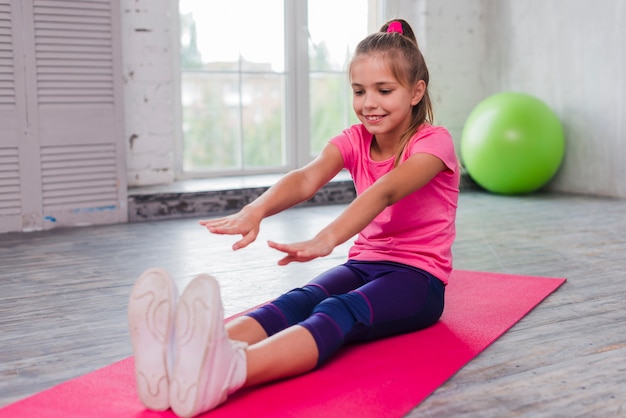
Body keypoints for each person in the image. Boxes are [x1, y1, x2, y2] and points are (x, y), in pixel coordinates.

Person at [128, 18, 459, 418]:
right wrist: (257, 210)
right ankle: (178, 355)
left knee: (340, 311)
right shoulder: (355, 139)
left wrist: (328, 237)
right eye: (359, 91)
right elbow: (306, 177)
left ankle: (230, 371)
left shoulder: (432, 142)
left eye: (383, 90)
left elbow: (385, 190)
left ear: (415, 92)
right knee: (299, 300)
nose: (369, 103)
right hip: (365, 263)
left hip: (418, 280)